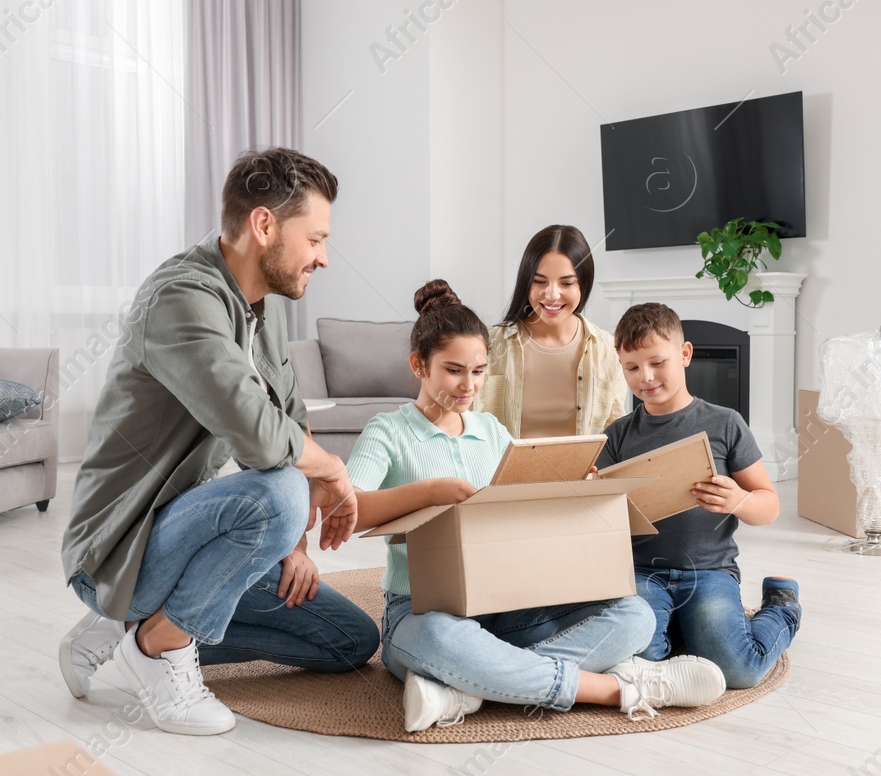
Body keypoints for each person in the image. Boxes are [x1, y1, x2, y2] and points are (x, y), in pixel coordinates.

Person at [57, 148, 380, 737]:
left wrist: (295, 546)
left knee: (349, 641)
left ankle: (128, 630)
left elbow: (290, 414)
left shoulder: (260, 306)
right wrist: (331, 470)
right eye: (315, 239)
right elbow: (260, 436)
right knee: (278, 493)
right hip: (118, 550)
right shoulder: (182, 300)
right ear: (264, 225)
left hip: (190, 536)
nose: (324, 258)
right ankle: (157, 646)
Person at [346, 279, 726, 732]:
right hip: (420, 609)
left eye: (479, 371)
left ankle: (467, 687)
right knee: (443, 638)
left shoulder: (491, 431)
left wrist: (575, 488)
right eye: (454, 370)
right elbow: (348, 512)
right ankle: (620, 689)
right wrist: (429, 493)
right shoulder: (388, 431)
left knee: (635, 614)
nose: (469, 385)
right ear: (418, 365)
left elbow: (529, 501)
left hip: (504, 605)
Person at [596, 302, 800, 690]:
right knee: (640, 658)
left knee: (742, 670)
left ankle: (782, 606)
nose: (646, 377)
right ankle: (683, 629)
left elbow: (769, 506)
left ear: (685, 354)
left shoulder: (725, 423)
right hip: (642, 574)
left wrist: (738, 500)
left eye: (657, 362)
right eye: (632, 368)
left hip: (709, 572)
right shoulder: (618, 434)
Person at [476, 225, 627, 438]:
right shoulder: (489, 345)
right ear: (525, 282)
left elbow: (615, 434)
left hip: (583, 472)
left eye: (566, 283)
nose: (552, 294)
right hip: (503, 471)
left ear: (583, 284)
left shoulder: (607, 350)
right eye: (539, 282)